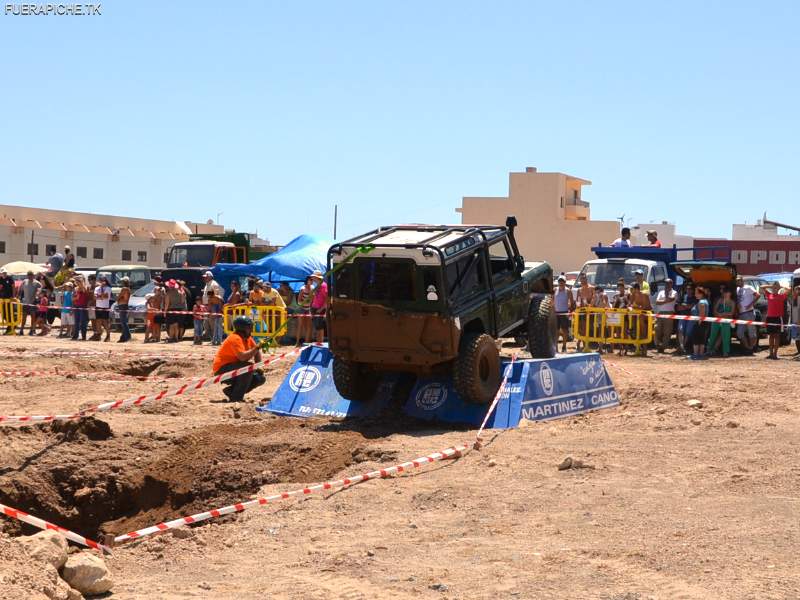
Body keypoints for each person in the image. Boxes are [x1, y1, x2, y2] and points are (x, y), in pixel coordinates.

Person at [212, 315, 266, 402]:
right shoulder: (235, 338)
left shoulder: (248, 338)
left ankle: (231, 392)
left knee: (259, 378)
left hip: (235, 368)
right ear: (242, 329)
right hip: (222, 370)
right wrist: (257, 348)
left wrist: (258, 366)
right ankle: (236, 398)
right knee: (248, 368)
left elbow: (256, 352)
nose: (251, 329)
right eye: (249, 327)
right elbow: (242, 358)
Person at [759, 281, 788, 360]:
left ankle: (775, 354)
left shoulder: (782, 296)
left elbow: (789, 289)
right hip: (770, 317)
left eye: (776, 287)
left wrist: (779, 286)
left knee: (777, 336)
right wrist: (771, 286)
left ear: (778, 288)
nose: (774, 288)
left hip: (778, 318)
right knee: (771, 336)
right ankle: (770, 353)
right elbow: (761, 287)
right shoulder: (769, 295)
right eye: (774, 287)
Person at [707, 286, 735, 357]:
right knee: (712, 335)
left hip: (726, 321)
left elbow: (732, 313)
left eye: (727, 292)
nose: (725, 294)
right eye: (725, 292)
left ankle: (725, 352)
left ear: (730, 293)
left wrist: (722, 314)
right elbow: (714, 310)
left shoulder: (732, 302)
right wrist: (720, 314)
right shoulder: (720, 300)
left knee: (726, 336)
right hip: (717, 319)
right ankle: (709, 350)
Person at [735, 276, 759, 353]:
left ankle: (751, 348)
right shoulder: (737, 289)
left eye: (739, 280)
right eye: (736, 281)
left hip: (749, 312)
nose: (737, 282)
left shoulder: (748, 287)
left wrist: (750, 304)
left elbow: (758, 295)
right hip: (741, 313)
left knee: (751, 332)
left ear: (742, 280)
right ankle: (748, 347)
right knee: (739, 333)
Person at [653, 278, 677, 353]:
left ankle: (663, 346)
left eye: (668, 283)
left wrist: (666, 296)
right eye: (666, 283)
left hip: (669, 313)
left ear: (671, 284)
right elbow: (657, 302)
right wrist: (665, 301)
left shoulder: (674, 292)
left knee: (667, 331)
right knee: (657, 328)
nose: (667, 285)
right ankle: (657, 344)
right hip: (660, 313)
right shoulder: (661, 292)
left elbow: (671, 299)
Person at [553, 276, 575, 353]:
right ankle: (555, 347)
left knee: (565, 330)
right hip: (556, 313)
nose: (561, 283)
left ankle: (564, 346)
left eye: (562, 281)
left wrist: (570, 311)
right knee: (556, 331)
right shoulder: (555, 289)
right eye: (560, 281)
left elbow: (572, 302)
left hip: (564, 312)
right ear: (558, 282)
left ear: (565, 282)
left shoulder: (568, 291)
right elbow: (552, 300)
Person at [630, 282, 652, 356]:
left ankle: (645, 350)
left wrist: (637, 307)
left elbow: (646, 307)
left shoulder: (644, 295)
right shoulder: (632, 295)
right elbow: (630, 305)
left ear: (636, 289)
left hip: (646, 314)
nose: (631, 290)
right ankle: (632, 330)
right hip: (637, 314)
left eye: (632, 289)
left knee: (642, 329)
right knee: (631, 319)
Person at [17, 271, 42, 336]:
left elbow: (41, 290)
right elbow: (20, 290)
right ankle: (21, 330)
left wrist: (38, 295)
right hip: (25, 303)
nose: (29, 276)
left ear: (33, 275)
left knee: (33, 317)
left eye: (31, 275)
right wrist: (18, 297)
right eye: (28, 275)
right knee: (24, 317)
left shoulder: (37, 283)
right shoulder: (24, 281)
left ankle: (32, 330)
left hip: (33, 303)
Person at [689, 286, 710, 360]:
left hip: (700, 323)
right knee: (702, 340)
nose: (695, 294)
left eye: (696, 293)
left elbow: (702, 315)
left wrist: (698, 323)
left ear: (701, 294)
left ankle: (696, 355)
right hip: (703, 324)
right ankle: (700, 355)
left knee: (697, 339)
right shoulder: (704, 301)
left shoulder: (701, 302)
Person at [675, 282, 696, 355]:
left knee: (688, 332)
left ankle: (682, 346)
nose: (688, 290)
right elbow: (678, 308)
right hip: (682, 316)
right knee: (680, 330)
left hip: (691, 317)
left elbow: (692, 307)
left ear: (693, 290)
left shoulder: (695, 297)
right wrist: (687, 306)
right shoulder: (683, 296)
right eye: (687, 289)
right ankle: (682, 346)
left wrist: (684, 306)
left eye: (690, 289)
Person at [163, 279, 187, 343]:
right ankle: (176, 338)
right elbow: (182, 301)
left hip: (171, 310)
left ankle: (171, 338)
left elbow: (167, 304)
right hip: (179, 310)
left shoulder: (168, 293)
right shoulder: (180, 292)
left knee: (171, 325)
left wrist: (165, 312)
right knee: (176, 325)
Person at [309, 271, 328, 343]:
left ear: (317, 277)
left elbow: (327, 299)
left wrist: (321, 309)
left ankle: (320, 342)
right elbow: (314, 297)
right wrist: (311, 307)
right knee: (317, 327)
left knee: (320, 327)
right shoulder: (317, 285)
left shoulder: (323, 286)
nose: (312, 278)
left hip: (319, 309)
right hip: (315, 308)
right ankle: (318, 342)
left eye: (313, 277)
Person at [295, 276, 314, 346]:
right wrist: (307, 303)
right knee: (300, 325)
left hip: (309, 308)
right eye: (310, 280)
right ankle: (297, 342)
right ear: (307, 280)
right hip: (301, 308)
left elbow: (313, 299)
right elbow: (299, 301)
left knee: (309, 326)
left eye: (312, 280)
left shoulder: (313, 288)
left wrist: (309, 304)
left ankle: (307, 342)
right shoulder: (302, 289)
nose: (312, 281)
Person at [94, 276, 112, 342]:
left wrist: (100, 296)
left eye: (103, 280)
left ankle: (108, 335)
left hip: (105, 307)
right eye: (100, 280)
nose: (102, 282)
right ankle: (99, 334)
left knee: (105, 322)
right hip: (98, 306)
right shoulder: (96, 288)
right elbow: (95, 297)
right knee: (98, 321)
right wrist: (101, 296)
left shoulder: (108, 288)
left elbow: (106, 296)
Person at [116, 276, 132, 343]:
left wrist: (118, 297)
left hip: (122, 305)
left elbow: (119, 297)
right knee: (123, 322)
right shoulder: (128, 289)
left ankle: (127, 336)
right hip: (124, 305)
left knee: (123, 322)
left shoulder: (124, 289)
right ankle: (123, 337)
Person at [86, 274, 99, 340]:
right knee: (92, 320)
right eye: (88, 280)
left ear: (93, 279)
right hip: (91, 306)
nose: (88, 281)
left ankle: (98, 334)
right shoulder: (90, 287)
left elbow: (96, 296)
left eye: (89, 280)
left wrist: (91, 301)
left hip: (96, 305)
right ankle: (95, 333)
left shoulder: (97, 286)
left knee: (97, 321)